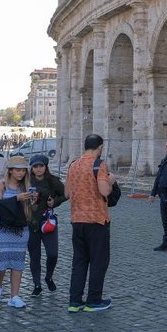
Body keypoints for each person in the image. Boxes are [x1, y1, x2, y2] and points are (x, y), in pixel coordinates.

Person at [66, 134, 115, 312]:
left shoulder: (73, 165)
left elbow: (67, 193)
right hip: (96, 220)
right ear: (100, 147)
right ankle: (94, 300)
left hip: (77, 220)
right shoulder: (99, 164)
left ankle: (74, 301)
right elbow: (104, 190)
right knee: (98, 261)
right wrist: (110, 182)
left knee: (79, 261)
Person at [0, 156, 38, 308]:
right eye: (17, 170)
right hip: (2, 227)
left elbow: (33, 211)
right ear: (10, 171)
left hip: (20, 229)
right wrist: (16, 198)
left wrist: (33, 201)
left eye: (23, 170)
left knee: (18, 261)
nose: (20, 173)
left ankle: (14, 295)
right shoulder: (0, 185)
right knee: (0, 261)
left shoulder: (27, 186)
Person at [27, 154, 66, 296]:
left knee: (52, 254)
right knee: (34, 256)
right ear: (31, 168)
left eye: (41, 166)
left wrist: (54, 202)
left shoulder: (53, 181)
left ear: (45, 167)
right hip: (32, 223)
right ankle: (37, 284)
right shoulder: (26, 182)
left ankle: (49, 277)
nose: (38, 169)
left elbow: (66, 194)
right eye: (35, 167)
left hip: (48, 222)